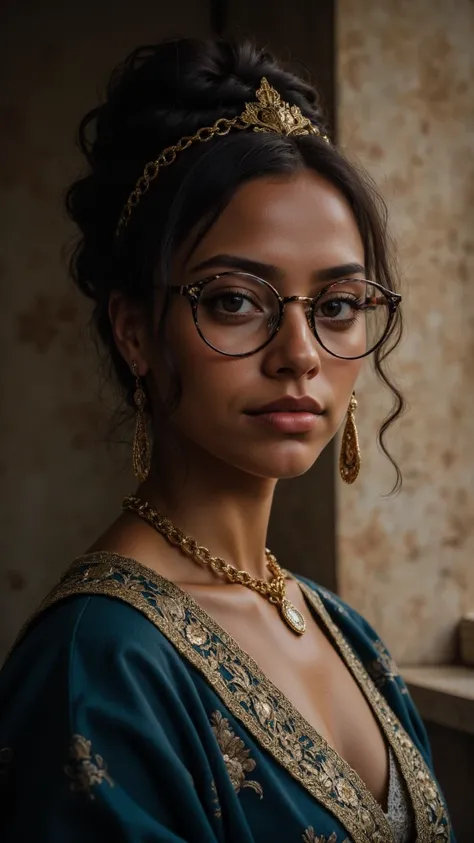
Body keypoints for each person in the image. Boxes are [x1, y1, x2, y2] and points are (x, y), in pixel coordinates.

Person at [0, 37, 453, 843]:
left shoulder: (346, 631)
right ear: (136, 331)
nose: (301, 354)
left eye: (338, 304)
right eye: (237, 301)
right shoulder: (97, 665)